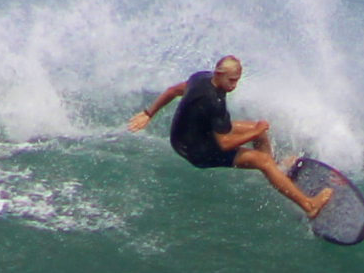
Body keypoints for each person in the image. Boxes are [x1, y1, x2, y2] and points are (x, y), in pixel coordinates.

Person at [127, 56, 333, 218]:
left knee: (259, 134)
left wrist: (148, 113)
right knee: (260, 152)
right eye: (232, 80)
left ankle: (275, 171)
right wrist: (256, 131)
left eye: (237, 80)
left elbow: (173, 91)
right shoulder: (214, 102)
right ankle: (309, 205)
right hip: (197, 151)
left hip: (187, 135)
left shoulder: (200, 78)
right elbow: (224, 144)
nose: (234, 85)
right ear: (218, 73)